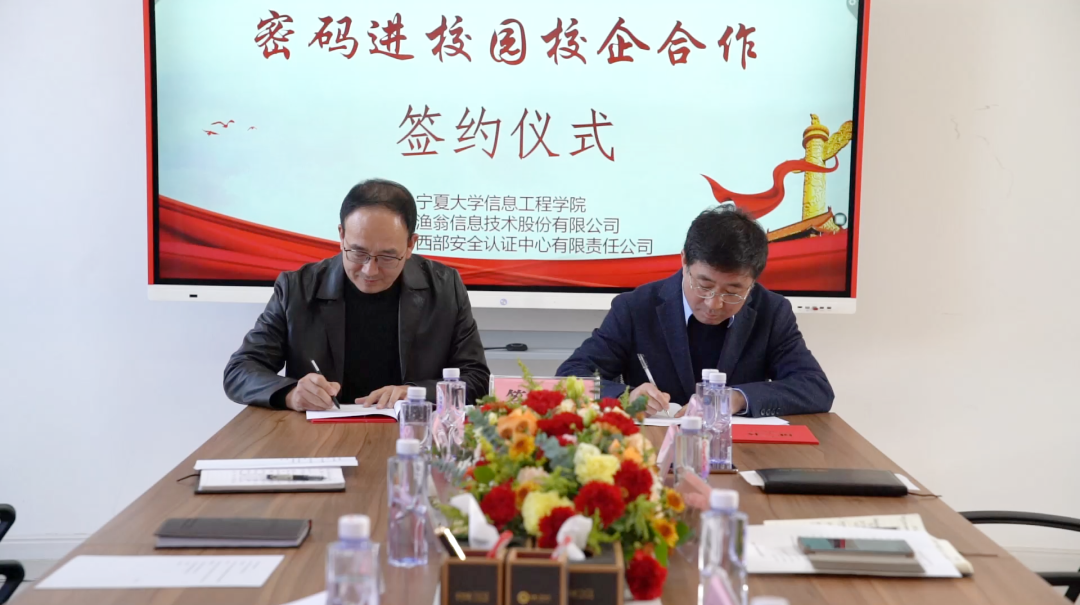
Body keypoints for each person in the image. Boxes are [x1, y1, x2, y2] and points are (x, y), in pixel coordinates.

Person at [224, 179, 490, 411]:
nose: (369, 270)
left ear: (410, 244)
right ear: (341, 236)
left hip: (412, 434)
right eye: (358, 252)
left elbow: (477, 380)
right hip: (318, 438)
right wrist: (291, 394)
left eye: (387, 257)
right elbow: (240, 370)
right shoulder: (297, 288)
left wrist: (415, 393)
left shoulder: (444, 287)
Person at [557, 207, 833, 418]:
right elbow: (570, 377)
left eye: (733, 291)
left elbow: (815, 388)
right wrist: (624, 396)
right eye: (704, 285)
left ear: (753, 281)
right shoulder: (636, 307)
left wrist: (735, 399)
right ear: (684, 262)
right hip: (651, 449)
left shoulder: (771, 311)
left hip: (738, 452)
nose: (714, 303)